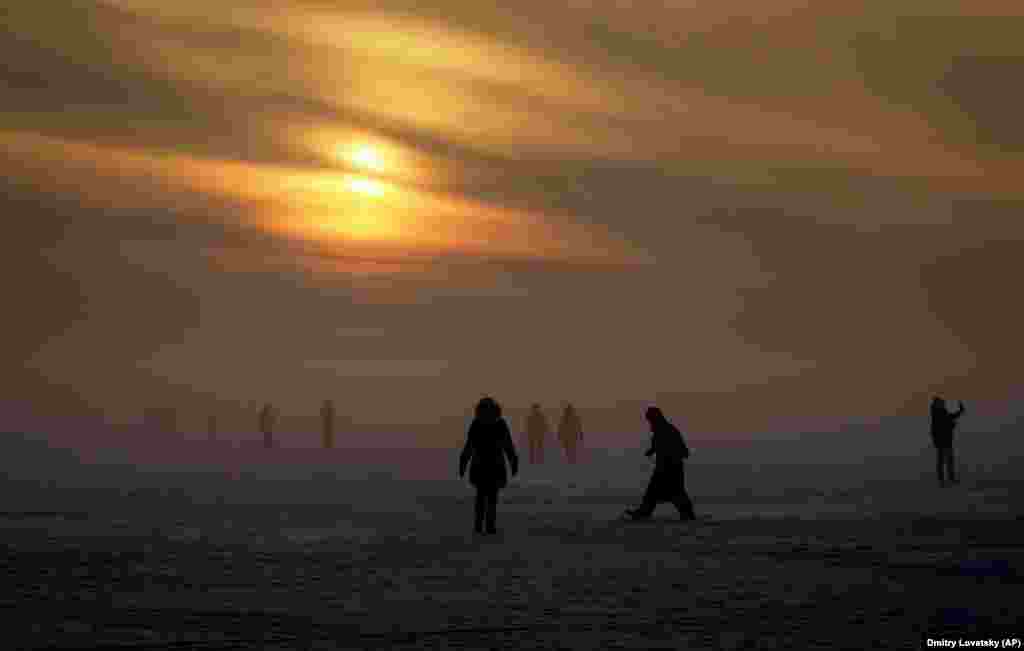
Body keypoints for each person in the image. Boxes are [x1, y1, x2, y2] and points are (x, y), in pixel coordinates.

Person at [459, 397, 519, 534]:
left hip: (480, 465)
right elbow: (508, 446)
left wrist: (463, 463)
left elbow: (469, 446)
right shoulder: (500, 424)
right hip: (495, 465)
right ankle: (490, 525)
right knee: (492, 497)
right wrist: (513, 462)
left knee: (480, 497)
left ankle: (479, 525)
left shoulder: (477, 424)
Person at [625, 406, 696, 521]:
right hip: (665, 467)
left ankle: (687, 515)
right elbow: (659, 444)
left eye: (650, 419)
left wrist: (663, 454)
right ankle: (644, 512)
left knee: (673, 492)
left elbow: (681, 450)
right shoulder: (662, 429)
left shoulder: (666, 429)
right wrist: (652, 450)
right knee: (658, 492)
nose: (649, 423)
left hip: (670, 468)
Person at [930, 396, 965, 486]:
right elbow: (945, 423)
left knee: (947, 460)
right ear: (938, 404)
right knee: (944, 461)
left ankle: (948, 479)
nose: (943, 404)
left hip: (945, 440)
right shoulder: (937, 413)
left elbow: (949, 418)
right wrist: (952, 424)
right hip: (942, 441)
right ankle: (944, 480)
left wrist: (960, 412)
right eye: (942, 403)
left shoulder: (940, 412)